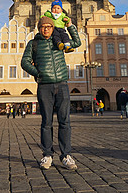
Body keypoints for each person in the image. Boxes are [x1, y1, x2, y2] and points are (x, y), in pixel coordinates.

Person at [21, 15, 81, 170]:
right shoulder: (33, 43)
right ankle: (47, 155)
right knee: (46, 122)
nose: (45, 29)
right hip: (45, 86)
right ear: (39, 28)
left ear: (53, 28)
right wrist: (38, 73)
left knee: (64, 121)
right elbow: (24, 62)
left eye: (49, 26)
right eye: (43, 26)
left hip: (62, 84)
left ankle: (66, 155)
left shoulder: (58, 41)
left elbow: (77, 42)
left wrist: (70, 25)